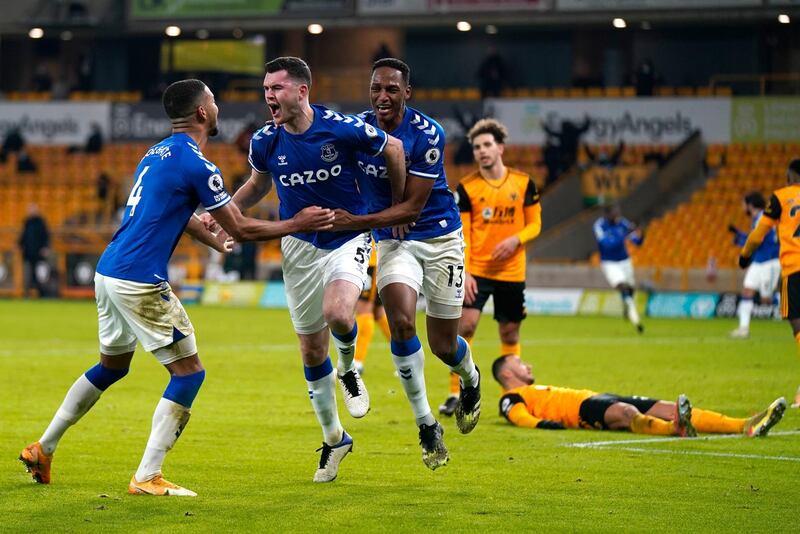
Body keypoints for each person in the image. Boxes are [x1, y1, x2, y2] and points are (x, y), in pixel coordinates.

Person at [19, 78, 335, 496]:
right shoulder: (196, 163)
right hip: (138, 279)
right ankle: (147, 475)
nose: (218, 107)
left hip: (109, 271)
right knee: (188, 374)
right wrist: (297, 223)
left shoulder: (155, 154)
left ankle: (44, 447)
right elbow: (239, 225)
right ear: (203, 112)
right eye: (214, 101)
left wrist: (211, 238)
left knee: (112, 367)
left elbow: (178, 212)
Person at [228, 57, 407, 482]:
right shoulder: (264, 141)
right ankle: (334, 439)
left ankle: (348, 370)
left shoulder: (340, 127)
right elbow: (257, 185)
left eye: (277, 88)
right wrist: (226, 213)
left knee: (340, 314)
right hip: (298, 248)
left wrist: (397, 208)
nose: (268, 96)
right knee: (310, 351)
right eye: (266, 88)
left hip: (346, 238)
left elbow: (395, 149)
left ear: (301, 91)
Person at [331, 58, 482, 470]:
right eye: (376, 88)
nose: (383, 96)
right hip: (394, 242)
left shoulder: (427, 133)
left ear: (407, 93)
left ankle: (470, 377)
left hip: (439, 238)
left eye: (392, 89)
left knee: (443, 345)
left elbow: (412, 207)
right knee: (400, 323)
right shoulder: (356, 129)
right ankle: (426, 424)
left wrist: (356, 221)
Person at [439, 118, 541, 416]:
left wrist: (516, 239)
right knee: (464, 326)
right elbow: (464, 233)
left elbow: (535, 224)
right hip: (478, 271)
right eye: (476, 147)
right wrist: (466, 271)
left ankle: (513, 394)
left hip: (512, 272)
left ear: (500, 148)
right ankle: (456, 393)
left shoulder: (523, 183)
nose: (482, 151)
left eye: (486, 145)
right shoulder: (468, 188)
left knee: (510, 333)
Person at [493, 354, 786, 437]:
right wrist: (543, 425)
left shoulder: (532, 388)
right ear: (506, 373)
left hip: (595, 396)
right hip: (580, 412)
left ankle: (744, 425)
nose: (527, 364)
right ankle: (676, 429)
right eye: (519, 362)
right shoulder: (511, 396)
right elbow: (518, 416)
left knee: (666, 405)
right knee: (625, 413)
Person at [739, 159, 800, 408]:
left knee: (798, 326)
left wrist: (744, 255)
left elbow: (758, 233)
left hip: (794, 268)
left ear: (789, 176)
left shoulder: (780, 197)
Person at [728, 192, 780, 338]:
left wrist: (739, 240)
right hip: (758, 261)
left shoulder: (762, 217)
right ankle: (743, 329)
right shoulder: (758, 218)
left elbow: (757, 240)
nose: (743, 207)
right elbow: (755, 238)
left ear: (750, 205)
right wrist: (740, 236)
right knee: (747, 291)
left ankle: (792, 301)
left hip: (769, 261)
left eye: (744, 204)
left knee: (766, 299)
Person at [593, 204, 644, 333]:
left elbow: (637, 242)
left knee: (630, 289)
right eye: (614, 214)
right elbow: (607, 245)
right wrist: (626, 233)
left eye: (618, 213)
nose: (617, 216)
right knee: (622, 286)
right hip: (609, 263)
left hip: (625, 261)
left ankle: (627, 307)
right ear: (607, 214)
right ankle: (635, 320)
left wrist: (642, 234)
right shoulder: (599, 226)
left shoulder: (622, 223)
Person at [353, 245, 392, 375]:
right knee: (378, 312)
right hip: (371, 258)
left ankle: (357, 362)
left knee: (364, 309)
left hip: (371, 260)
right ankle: (405, 353)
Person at [18, 203, 51, 298]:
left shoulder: (41, 222)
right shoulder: (27, 222)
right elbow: (24, 235)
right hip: (28, 253)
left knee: (40, 274)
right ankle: (27, 292)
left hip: (39, 253)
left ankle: (42, 293)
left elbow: (45, 236)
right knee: (28, 274)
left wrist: (45, 247)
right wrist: (20, 244)